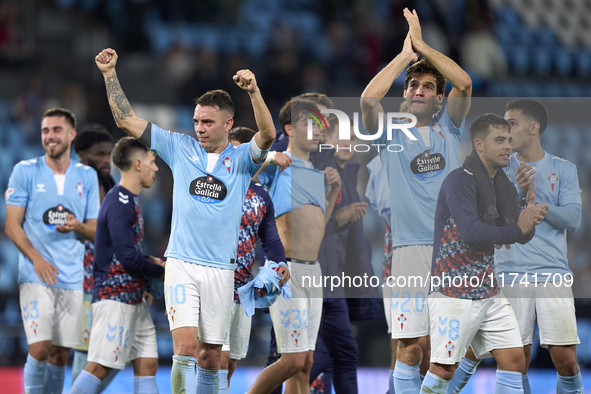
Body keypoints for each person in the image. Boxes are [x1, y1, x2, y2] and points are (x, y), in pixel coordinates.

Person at [95, 47, 276, 394]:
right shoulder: (180, 147)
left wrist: (253, 91)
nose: (200, 128)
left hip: (222, 270)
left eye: (207, 122)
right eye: (196, 121)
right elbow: (125, 120)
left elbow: (266, 135)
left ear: (226, 123)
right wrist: (109, 75)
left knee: (211, 357)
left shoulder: (242, 159)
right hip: (182, 264)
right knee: (187, 350)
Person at [360, 7, 472, 393]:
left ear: (439, 99)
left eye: (427, 87)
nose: (419, 91)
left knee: (445, 353)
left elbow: (465, 83)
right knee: (408, 347)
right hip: (408, 251)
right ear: (405, 94)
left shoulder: (450, 128)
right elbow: (368, 100)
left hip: (452, 250)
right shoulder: (391, 134)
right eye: (413, 86)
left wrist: (424, 46)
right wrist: (406, 58)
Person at [448, 100, 584, 394]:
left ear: (533, 128)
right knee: (515, 359)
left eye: (512, 124)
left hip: (552, 273)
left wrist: (541, 207)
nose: (506, 132)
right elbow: (486, 218)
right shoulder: (495, 168)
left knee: (567, 360)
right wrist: (521, 195)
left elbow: (573, 218)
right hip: (509, 272)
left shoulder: (563, 168)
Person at [419, 113, 548, 394]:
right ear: (479, 144)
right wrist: (518, 228)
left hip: (487, 290)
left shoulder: (500, 185)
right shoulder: (459, 180)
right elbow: (472, 234)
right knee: (443, 369)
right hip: (452, 290)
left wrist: (524, 204)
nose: (508, 147)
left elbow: (519, 235)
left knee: (515, 360)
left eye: (510, 140)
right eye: (499, 140)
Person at [248, 98, 341, 394]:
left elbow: (318, 230)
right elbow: (236, 179)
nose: (316, 130)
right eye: (308, 124)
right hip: (285, 270)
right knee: (291, 360)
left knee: (306, 362)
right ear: (288, 129)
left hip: (313, 271)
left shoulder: (316, 172)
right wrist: (269, 159)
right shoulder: (278, 164)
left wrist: (333, 192)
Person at [4, 107, 100, 394]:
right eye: (45, 130)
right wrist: (37, 260)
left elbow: (96, 229)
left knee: (60, 354)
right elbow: (11, 225)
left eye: (56, 130)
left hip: (72, 278)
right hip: (36, 277)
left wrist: (77, 227)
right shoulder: (25, 171)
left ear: (71, 135)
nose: (49, 136)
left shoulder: (88, 176)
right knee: (40, 347)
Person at [70, 136, 164, 394]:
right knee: (99, 368)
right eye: (152, 162)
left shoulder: (129, 200)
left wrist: (149, 265)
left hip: (133, 299)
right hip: (115, 299)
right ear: (138, 164)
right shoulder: (119, 202)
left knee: (148, 365)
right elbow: (128, 259)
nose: (155, 168)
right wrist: (163, 271)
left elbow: (128, 255)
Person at [219, 126, 289, 393]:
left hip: (243, 288)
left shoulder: (261, 195)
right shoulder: (218, 183)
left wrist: (279, 262)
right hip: (216, 283)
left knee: (232, 362)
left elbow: (270, 238)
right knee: (218, 358)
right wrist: (272, 157)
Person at [71, 125, 119, 389]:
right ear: (81, 154)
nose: (104, 159)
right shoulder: (74, 185)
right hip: (81, 283)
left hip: (108, 282)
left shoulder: (109, 186)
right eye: (98, 154)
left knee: (113, 355)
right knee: (84, 354)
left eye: (108, 154)